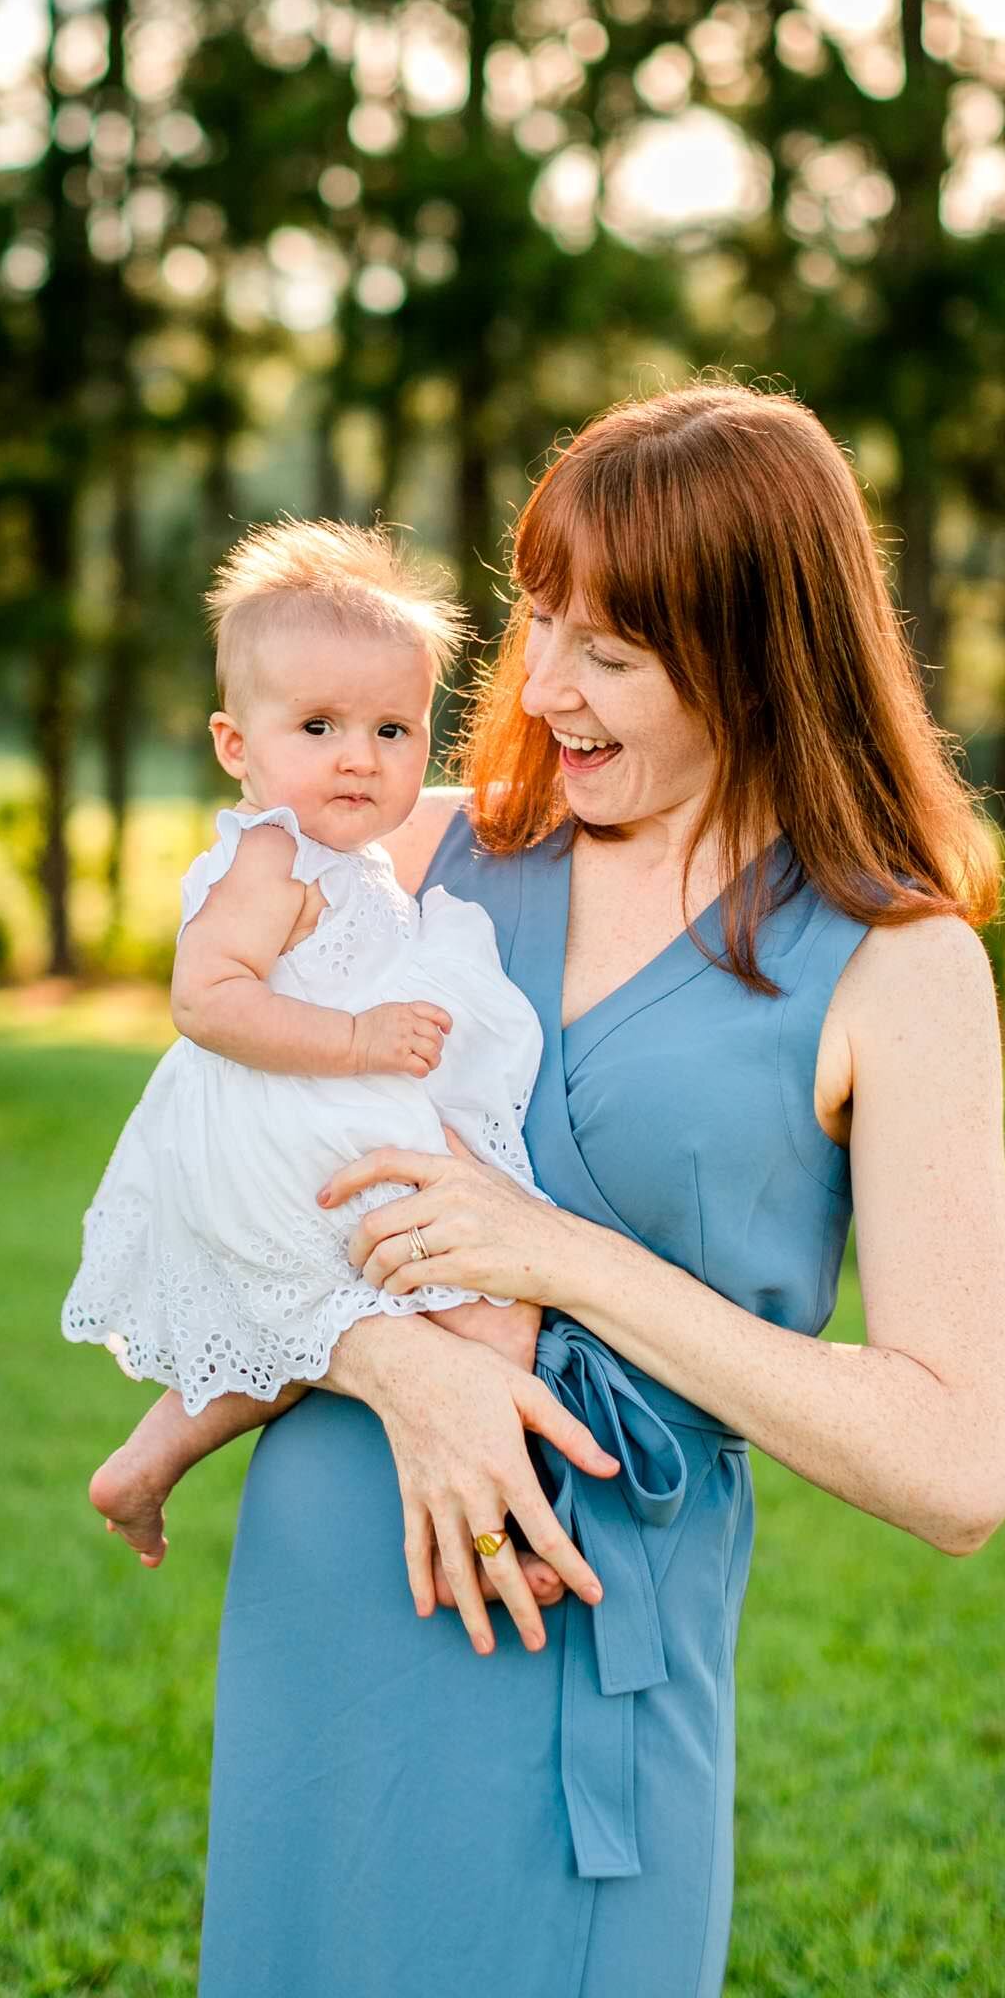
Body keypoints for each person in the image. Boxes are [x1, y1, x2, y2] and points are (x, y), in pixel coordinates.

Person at [198, 379, 1005, 1998]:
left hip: (583, 1648)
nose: (546, 687)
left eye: (615, 652)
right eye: (542, 622)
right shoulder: (422, 857)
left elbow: (957, 1462)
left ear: (755, 657)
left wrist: (562, 1259)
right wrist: (397, 1362)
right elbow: (204, 1182)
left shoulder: (900, 960)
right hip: (327, 1613)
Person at [61, 518, 610, 1589]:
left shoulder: (344, 853)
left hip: (333, 1102)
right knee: (495, 1300)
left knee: (308, 1324)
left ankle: (147, 1459)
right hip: (296, 1111)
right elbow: (204, 997)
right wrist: (360, 1037)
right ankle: (504, 1502)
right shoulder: (269, 855)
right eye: (318, 724)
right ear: (237, 745)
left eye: (393, 729)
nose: (360, 755)